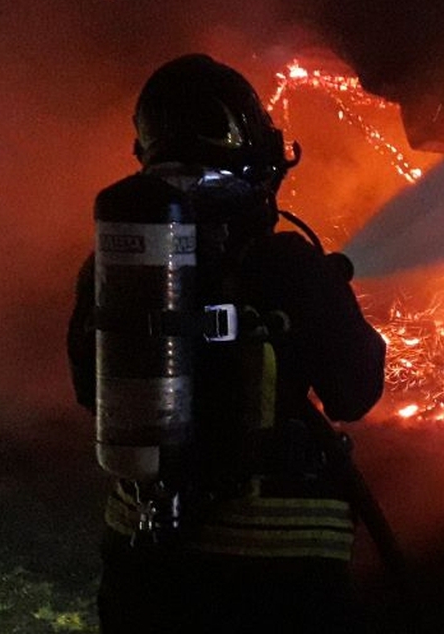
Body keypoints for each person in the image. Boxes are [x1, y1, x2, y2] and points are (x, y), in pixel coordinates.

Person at [67, 54, 386, 633]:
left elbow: (91, 391)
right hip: (278, 575)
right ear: (254, 152)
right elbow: (356, 393)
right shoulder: (288, 263)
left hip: (143, 565)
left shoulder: (115, 265)